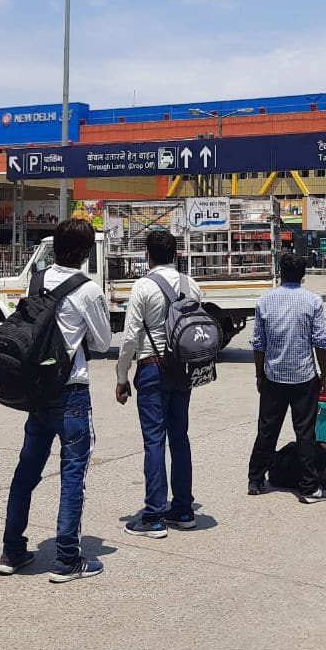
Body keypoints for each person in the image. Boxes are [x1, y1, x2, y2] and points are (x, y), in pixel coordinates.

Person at [0, 219, 111, 583]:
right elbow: (101, 342)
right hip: (71, 391)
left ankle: (12, 550)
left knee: (26, 471)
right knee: (73, 473)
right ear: (85, 252)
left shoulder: (36, 280)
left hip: (36, 392)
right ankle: (67, 559)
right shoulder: (87, 290)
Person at [115, 229, 203, 537]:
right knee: (180, 437)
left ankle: (153, 516)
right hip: (184, 370)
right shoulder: (191, 284)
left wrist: (121, 377)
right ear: (176, 254)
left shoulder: (143, 286)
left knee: (154, 440)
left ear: (146, 256)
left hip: (152, 367)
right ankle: (182, 510)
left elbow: (130, 338)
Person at [248, 253, 326, 503]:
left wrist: (259, 373)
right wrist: (324, 375)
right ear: (303, 274)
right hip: (303, 377)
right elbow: (320, 342)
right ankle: (308, 488)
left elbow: (258, 344)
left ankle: (255, 479)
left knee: (266, 429)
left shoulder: (265, 301)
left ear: (280, 272)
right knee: (305, 433)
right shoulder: (313, 301)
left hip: (274, 376)